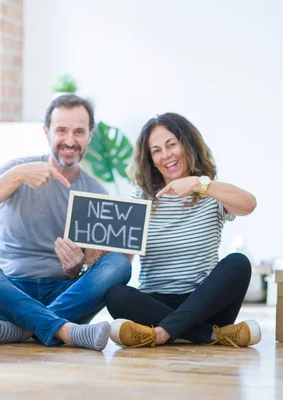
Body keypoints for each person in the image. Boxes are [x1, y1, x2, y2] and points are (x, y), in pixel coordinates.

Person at [0, 94, 132, 352]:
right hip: (11, 292)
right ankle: (63, 330)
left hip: (64, 293)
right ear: (46, 131)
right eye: (61, 130)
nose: (70, 140)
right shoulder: (18, 171)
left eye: (79, 131)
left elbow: (97, 267)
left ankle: (23, 330)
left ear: (89, 135)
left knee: (119, 264)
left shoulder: (96, 192)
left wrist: (76, 268)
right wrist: (17, 175)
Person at [105, 112, 260, 348]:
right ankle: (212, 336)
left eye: (171, 145)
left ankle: (158, 334)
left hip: (204, 304)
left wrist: (199, 184)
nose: (166, 155)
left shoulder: (209, 192)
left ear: (186, 144)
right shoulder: (140, 198)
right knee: (115, 295)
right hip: (154, 302)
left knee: (238, 262)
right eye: (156, 150)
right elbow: (123, 262)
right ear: (150, 159)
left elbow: (249, 204)